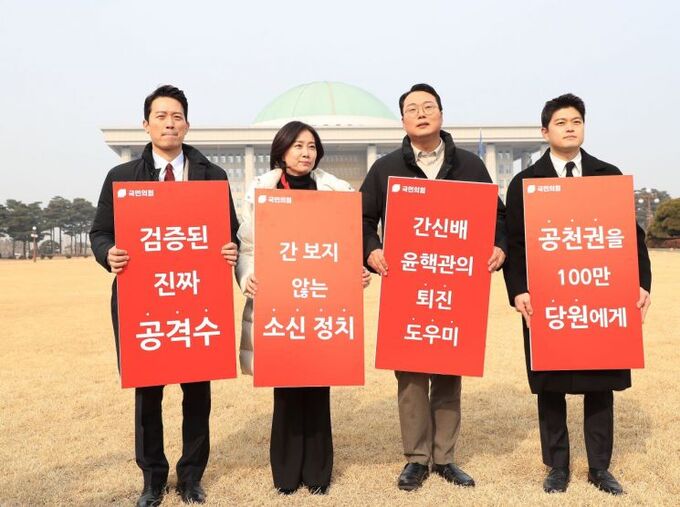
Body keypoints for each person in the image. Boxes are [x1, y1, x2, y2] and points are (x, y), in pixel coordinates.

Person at [90, 85, 240, 506]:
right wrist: (108, 253)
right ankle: (152, 479)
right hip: (144, 300)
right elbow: (100, 232)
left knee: (198, 392)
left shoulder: (213, 175)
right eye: (161, 116)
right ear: (146, 124)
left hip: (197, 298)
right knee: (148, 393)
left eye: (176, 116)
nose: (169, 123)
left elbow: (229, 231)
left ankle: (191, 477)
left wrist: (230, 248)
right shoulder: (121, 177)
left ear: (187, 124)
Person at [503, 93, 652, 495]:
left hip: (598, 297)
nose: (570, 128)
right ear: (544, 131)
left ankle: (600, 467)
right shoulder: (525, 182)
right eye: (561, 122)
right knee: (550, 382)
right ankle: (557, 466)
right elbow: (515, 243)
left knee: (600, 381)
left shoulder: (607, 174)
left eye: (576, 121)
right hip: (547, 300)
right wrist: (518, 290)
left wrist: (641, 283)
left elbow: (630, 235)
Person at [360, 83, 507, 491]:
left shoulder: (470, 166)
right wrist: (371, 249)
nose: (421, 113)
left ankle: (444, 457)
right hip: (407, 286)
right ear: (402, 120)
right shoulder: (385, 168)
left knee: (448, 372)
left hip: (454, 286)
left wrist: (498, 245)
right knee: (409, 374)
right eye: (413, 109)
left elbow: (498, 216)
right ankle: (416, 458)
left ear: (441, 114)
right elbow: (362, 219)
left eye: (429, 107)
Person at [235, 120, 371, 495]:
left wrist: (355, 273)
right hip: (280, 304)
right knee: (286, 391)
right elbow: (247, 248)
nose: (305, 153)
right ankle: (285, 474)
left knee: (318, 388)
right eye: (297, 145)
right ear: (281, 150)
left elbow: (345, 248)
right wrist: (247, 277)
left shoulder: (335, 192)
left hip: (321, 306)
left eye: (311, 146)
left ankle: (317, 474)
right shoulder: (262, 192)